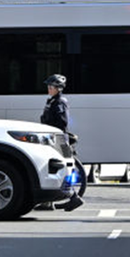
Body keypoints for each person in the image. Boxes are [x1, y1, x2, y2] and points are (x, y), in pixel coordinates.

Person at [39, 74, 83, 211]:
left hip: (58, 139)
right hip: (52, 138)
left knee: (62, 169)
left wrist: (54, 135)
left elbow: (61, 122)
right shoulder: (52, 101)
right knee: (51, 168)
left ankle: (74, 197)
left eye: (51, 86)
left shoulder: (60, 102)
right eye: (48, 86)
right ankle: (48, 202)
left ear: (58, 88)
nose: (49, 88)